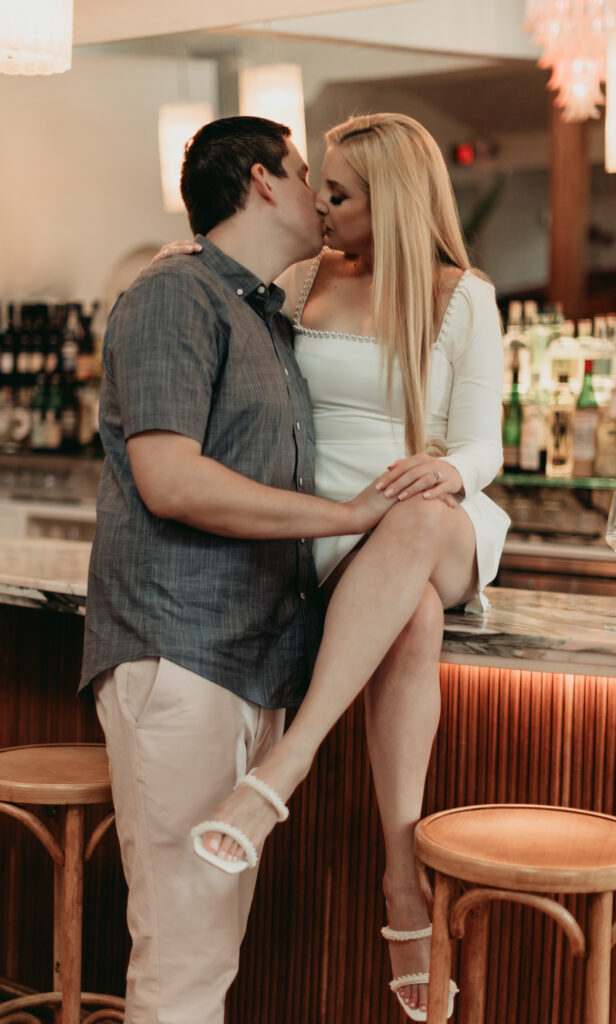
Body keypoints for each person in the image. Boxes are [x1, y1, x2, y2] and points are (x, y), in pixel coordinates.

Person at [160, 112, 510, 1021]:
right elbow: (223, 298)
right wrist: (181, 265)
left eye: (341, 194)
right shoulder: (301, 279)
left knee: (422, 516)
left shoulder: (463, 294)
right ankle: (403, 881)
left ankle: (283, 770)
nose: (321, 204)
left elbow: (485, 443)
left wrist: (452, 470)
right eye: (319, 187)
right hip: (329, 531)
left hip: (439, 519)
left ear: (389, 199)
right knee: (413, 619)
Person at [80, 115, 397, 1024]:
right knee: (183, 959)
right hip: (179, 652)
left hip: (245, 658)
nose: (320, 198)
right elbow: (172, 480)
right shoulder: (175, 294)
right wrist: (345, 517)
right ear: (262, 180)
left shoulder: (264, 313)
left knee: (206, 951)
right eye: (307, 175)